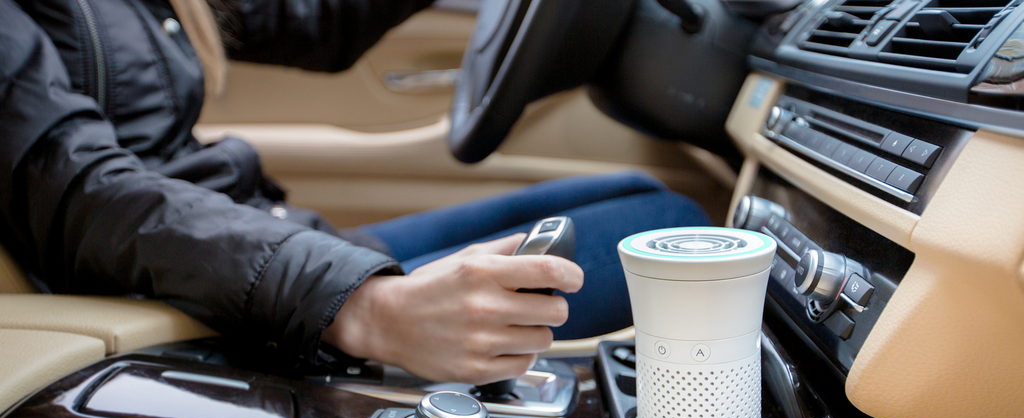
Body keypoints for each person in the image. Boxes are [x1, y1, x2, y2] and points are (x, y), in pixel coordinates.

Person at [0, 0, 710, 384]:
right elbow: (82, 193)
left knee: (637, 192)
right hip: (189, 289)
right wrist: (362, 308)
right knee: (666, 224)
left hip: (248, 235)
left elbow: (313, 17)